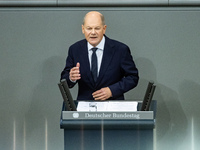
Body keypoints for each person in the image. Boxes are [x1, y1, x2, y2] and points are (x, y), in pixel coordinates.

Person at [60, 11, 139, 101]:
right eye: (89, 28)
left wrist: (112, 91)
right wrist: (71, 78)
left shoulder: (120, 49)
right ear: (83, 29)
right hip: (85, 108)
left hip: (113, 107)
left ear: (104, 29)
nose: (93, 32)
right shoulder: (75, 49)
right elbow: (64, 80)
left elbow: (133, 77)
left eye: (97, 28)